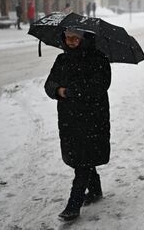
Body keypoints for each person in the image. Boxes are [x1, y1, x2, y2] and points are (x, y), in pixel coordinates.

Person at [44, 28, 111, 221]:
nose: (71, 41)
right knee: (79, 156)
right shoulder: (62, 60)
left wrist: (74, 91)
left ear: (84, 38)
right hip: (68, 117)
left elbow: (101, 85)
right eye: (68, 38)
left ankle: (74, 204)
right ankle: (96, 190)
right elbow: (49, 84)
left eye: (75, 38)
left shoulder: (98, 58)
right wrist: (59, 91)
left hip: (92, 117)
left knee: (83, 158)